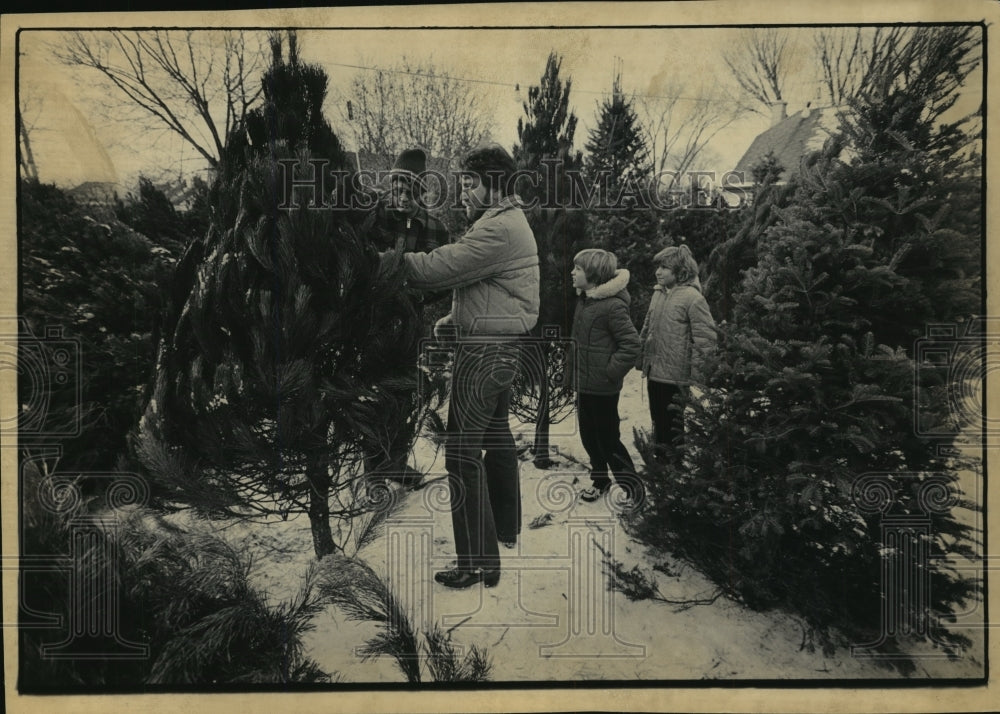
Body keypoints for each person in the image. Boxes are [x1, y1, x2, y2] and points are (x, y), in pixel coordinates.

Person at [389, 143, 538, 589]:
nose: (463, 192)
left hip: (484, 354)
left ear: (493, 183)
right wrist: (456, 320)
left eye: (470, 182)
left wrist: (384, 262)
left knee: (460, 455)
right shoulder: (507, 221)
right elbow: (500, 288)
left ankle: (476, 563)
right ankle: (506, 531)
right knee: (496, 438)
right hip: (500, 348)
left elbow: (441, 268)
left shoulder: (498, 229)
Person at [364, 148, 450, 489]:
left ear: (420, 190)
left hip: (409, 321)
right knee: (373, 394)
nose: (401, 195)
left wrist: (419, 295)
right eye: (396, 186)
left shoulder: (435, 228)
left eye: (408, 188)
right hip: (373, 319)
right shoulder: (374, 218)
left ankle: (397, 464)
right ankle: (373, 471)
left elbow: (442, 277)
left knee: (405, 394)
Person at [564, 249, 642, 503]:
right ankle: (600, 480)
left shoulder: (612, 306)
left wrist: (610, 373)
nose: (572, 273)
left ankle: (634, 490)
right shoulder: (586, 301)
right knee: (589, 437)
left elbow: (631, 345)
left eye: (578, 269)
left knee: (608, 440)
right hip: (586, 386)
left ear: (594, 275)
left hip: (603, 388)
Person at [637, 243, 717, 464]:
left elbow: (706, 337)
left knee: (672, 425)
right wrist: (641, 356)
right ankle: (661, 467)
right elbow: (647, 326)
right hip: (655, 371)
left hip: (675, 375)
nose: (658, 272)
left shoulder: (693, 298)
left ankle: (674, 468)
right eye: (658, 267)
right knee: (658, 421)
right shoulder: (658, 294)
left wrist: (699, 374)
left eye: (664, 267)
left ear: (680, 270)